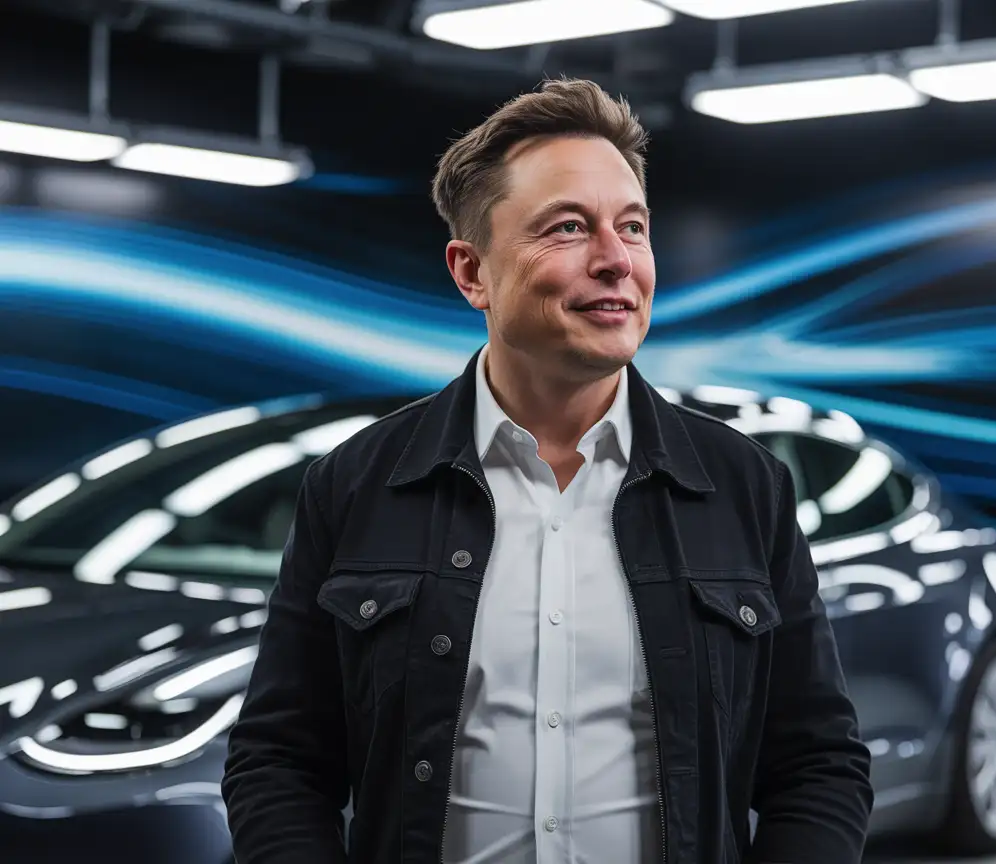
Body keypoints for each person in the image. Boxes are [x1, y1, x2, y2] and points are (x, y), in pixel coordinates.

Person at [222, 77, 873, 864]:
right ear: (473, 274)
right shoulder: (356, 485)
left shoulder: (745, 487)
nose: (615, 260)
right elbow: (279, 761)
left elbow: (818, 764)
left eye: (632, 227)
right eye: (568, 228)